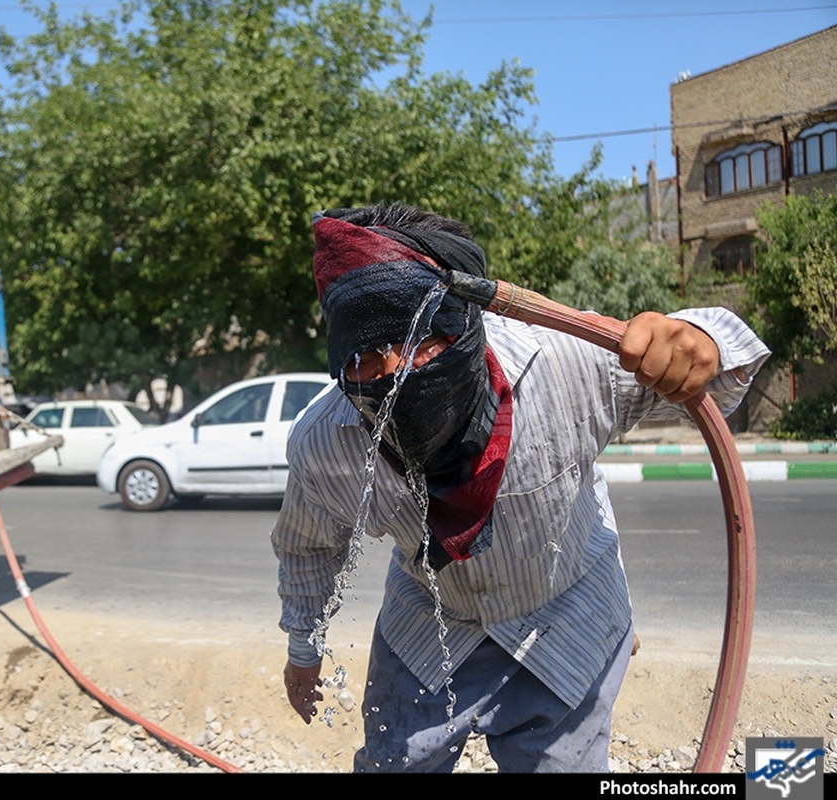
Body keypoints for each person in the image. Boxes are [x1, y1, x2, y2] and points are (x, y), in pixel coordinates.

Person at [272, 203, 769, 773]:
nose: (392, 372)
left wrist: (698, 341)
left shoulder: (566, 365)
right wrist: (302, 651)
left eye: (418, 340)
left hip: (567, 618)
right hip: (428, 626)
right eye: (362, 356)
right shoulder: (327, 441)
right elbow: (308, 547)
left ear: (463, 321)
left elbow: (731, 364)